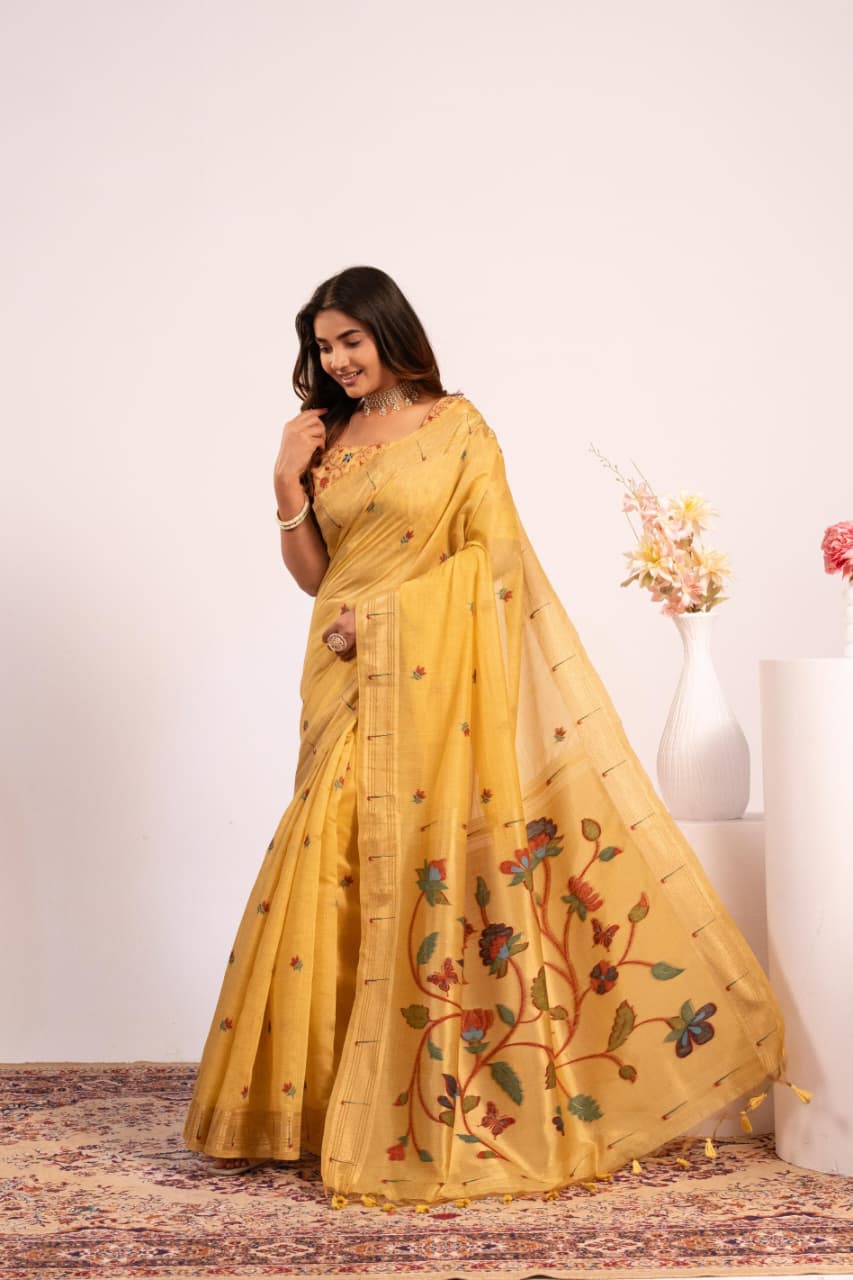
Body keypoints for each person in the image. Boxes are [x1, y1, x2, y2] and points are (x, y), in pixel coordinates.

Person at [182, 265, 789, 1207]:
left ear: (390, 332)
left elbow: (495, 565)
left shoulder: (458, 429)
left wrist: (384, 622)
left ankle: (429, 1096)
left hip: (422, 672)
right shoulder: (322, 437)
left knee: (415, 861)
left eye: (350, 340)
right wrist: (284, 484)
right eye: (323, 346)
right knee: (330, 853)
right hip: (339, 676)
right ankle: (319, 1107)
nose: (336, 360)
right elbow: (315, 577)